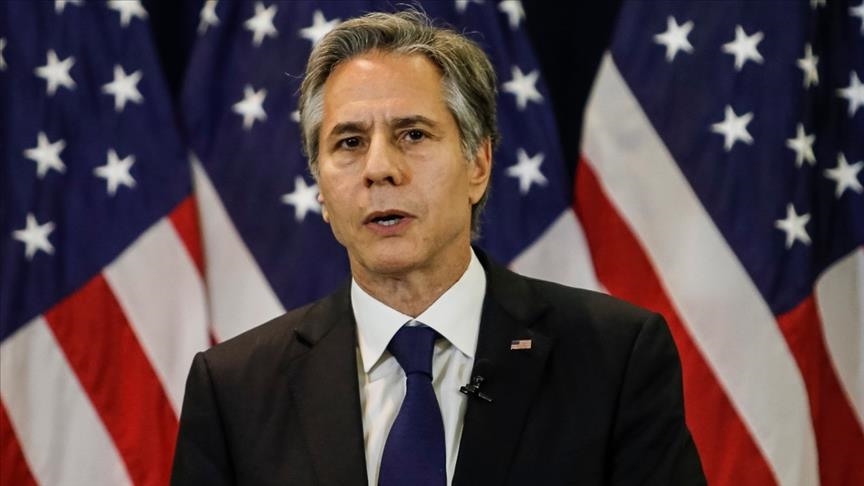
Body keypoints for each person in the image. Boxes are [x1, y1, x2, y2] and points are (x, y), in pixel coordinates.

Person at [171, 10, 706, 486]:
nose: (379, 168)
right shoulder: (234, 390)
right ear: (322, 189)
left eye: (413, 135)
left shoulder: (613, 358)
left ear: (478, 165)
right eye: (350, 142)